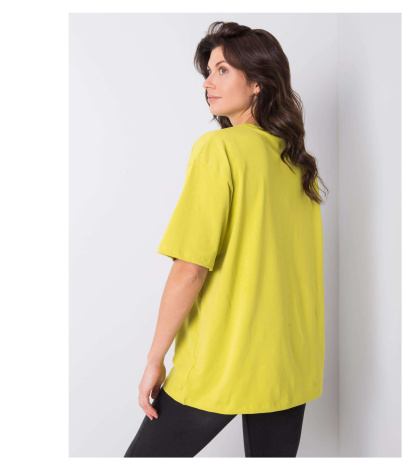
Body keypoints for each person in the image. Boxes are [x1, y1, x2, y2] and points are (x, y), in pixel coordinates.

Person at [124, 21, 328, 458]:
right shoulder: (299, 164)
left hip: (224, 359)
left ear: (257, 83)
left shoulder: (219, 149)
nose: (208, 82)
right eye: (208, 72)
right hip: (289, 364)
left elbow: (190, 268)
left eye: (222, 70)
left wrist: (154, 359)